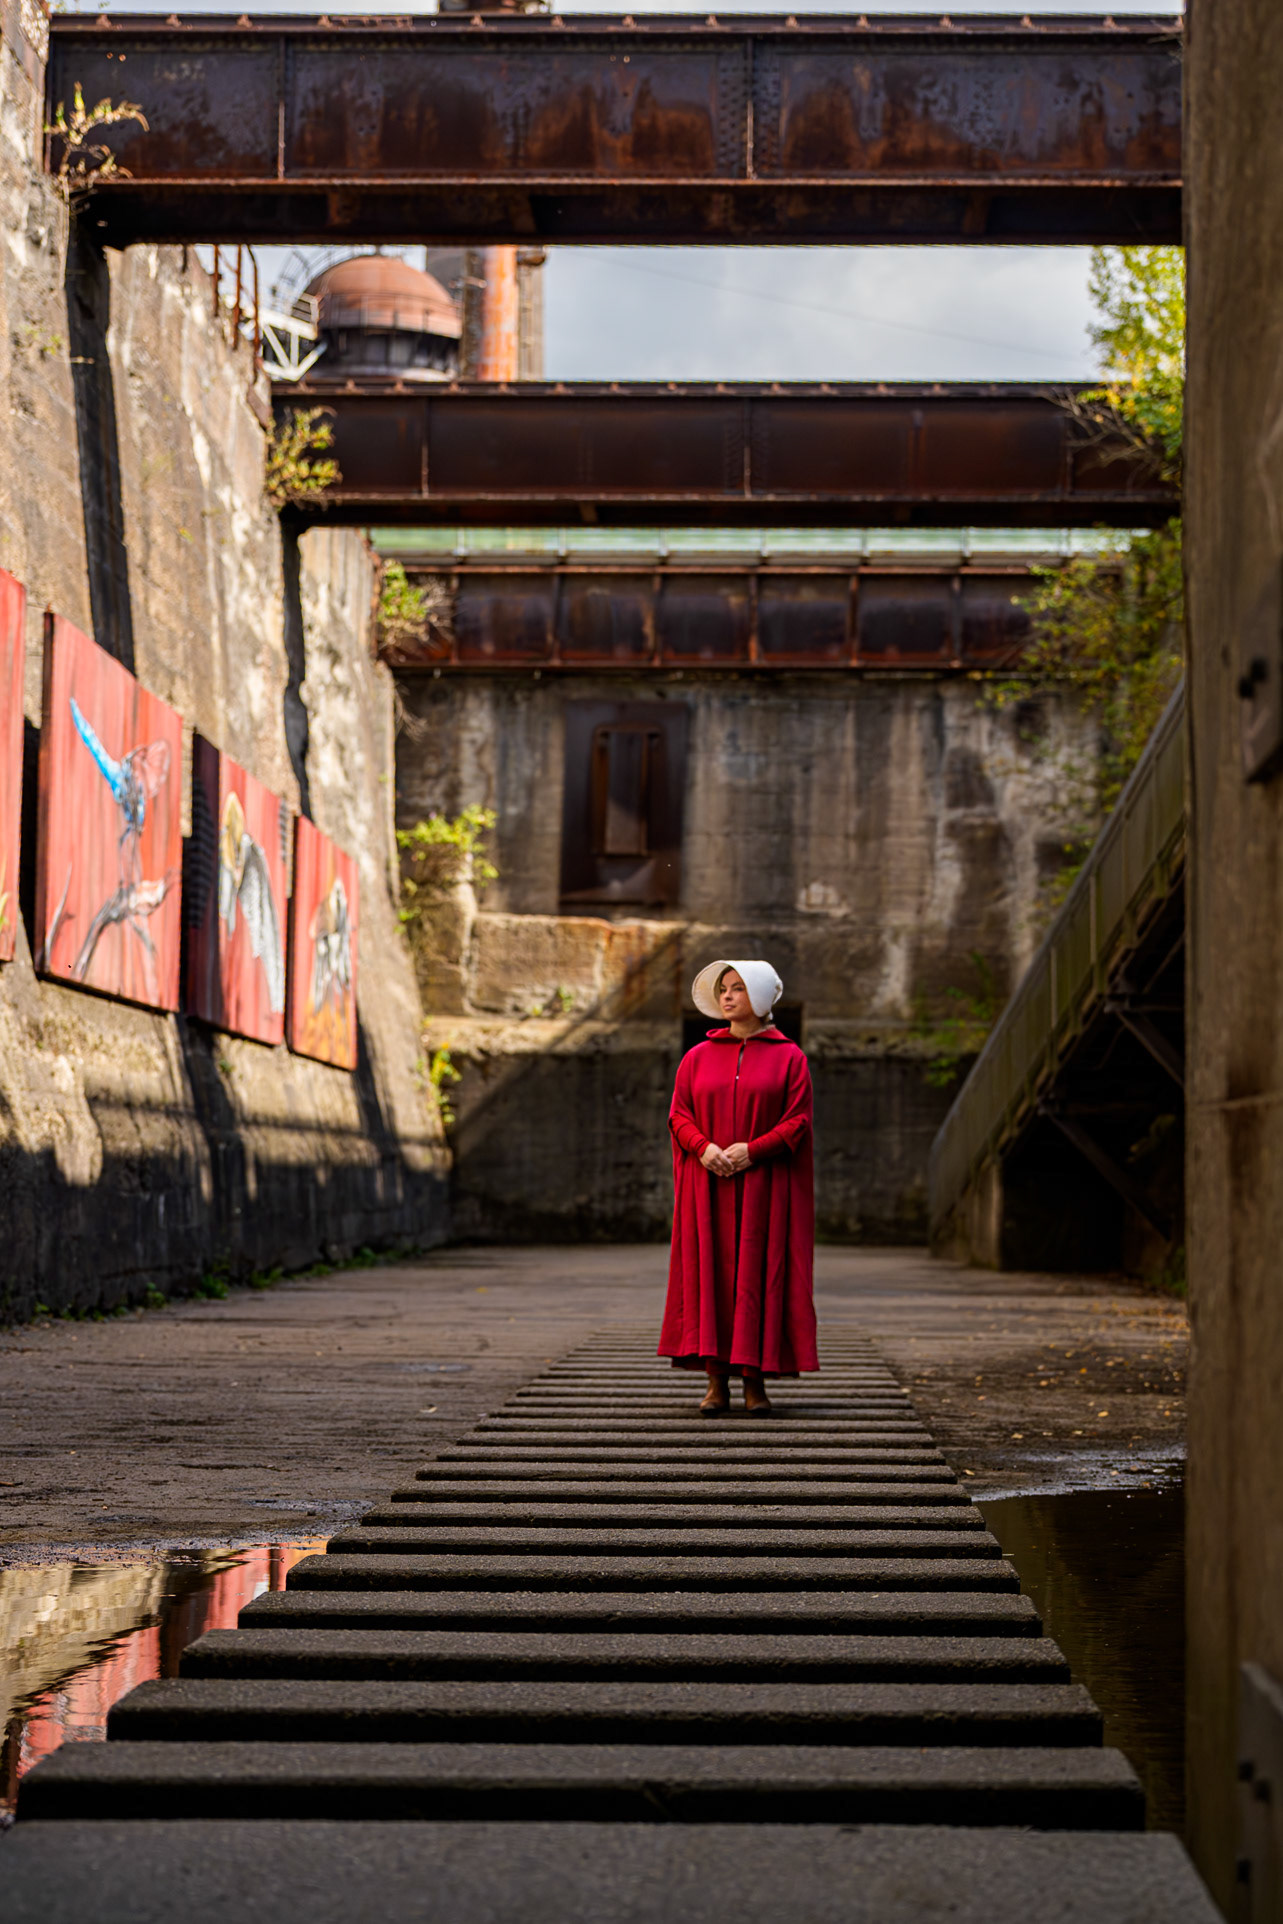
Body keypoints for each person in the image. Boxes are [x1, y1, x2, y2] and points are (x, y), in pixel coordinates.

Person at [658, 959, 818, 1415]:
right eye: (724, 990)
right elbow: (678, 1114)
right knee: (710, 1272)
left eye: (739, 989)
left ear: (763, 996)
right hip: (707, 1185)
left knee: (758, 1275)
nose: (727, 996)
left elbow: (798, 1121)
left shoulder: (790, 1058)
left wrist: (754, 1150)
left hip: (764, 1185)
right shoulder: (696, 1057)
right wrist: (703, 1148)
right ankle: (715, 1383)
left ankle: (755, 1382)